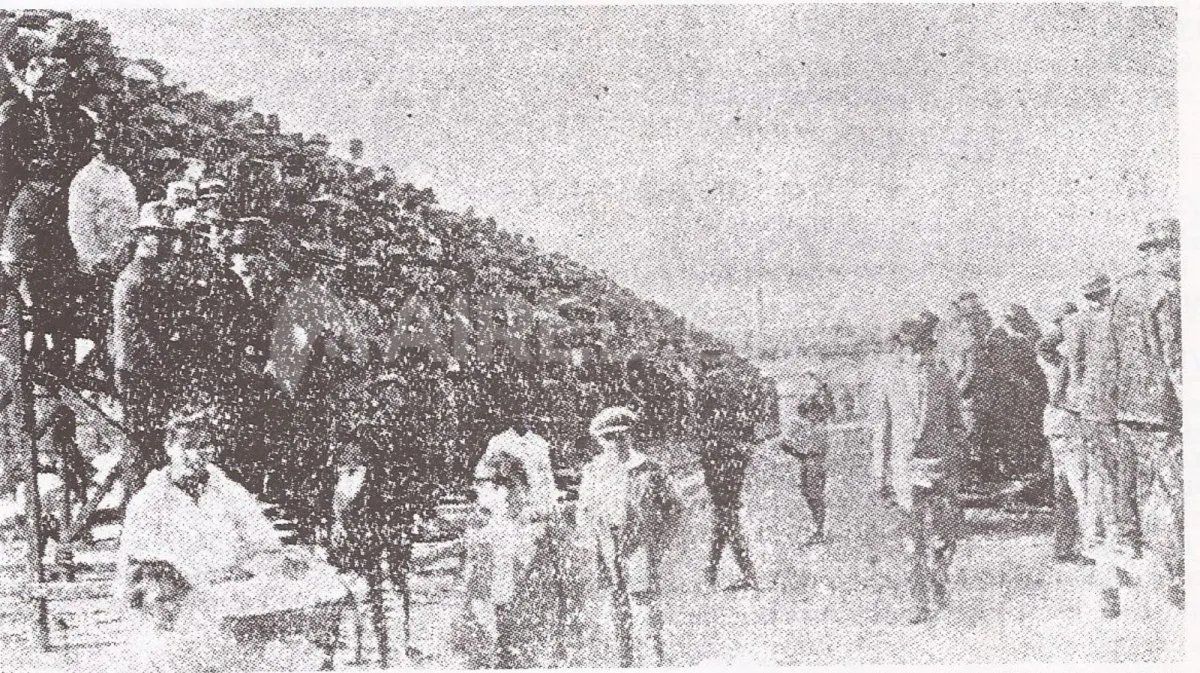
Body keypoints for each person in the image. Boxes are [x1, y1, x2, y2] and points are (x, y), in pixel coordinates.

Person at [117, 407, 351, 671]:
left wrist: (274, 561)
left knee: (318, 586)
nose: (197, 454)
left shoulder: (228, 491)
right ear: (170, 447)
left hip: (235, 585)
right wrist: (194, 577)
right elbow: (142, 563)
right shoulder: (149, 500)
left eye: (204, 445)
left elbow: (261, 541)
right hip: (180, 595)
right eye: (188, 446)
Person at [447, 448, 591, 668]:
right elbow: (472, 591)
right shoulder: (480, 534)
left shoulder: (536, 533)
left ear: (503, 488)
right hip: (491, 629)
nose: (476, 489)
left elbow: (557, 591)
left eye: (482, 483)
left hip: (527, 630)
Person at [873, 314, 966, 624]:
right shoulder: (888, 379)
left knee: (943, 537)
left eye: (922, 348)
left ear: (929, 347)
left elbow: (957, 425)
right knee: (912, 541)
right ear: (902, 349)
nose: (916, 355)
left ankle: (939, 576)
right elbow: (881, 430)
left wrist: (953, 457)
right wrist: (880, 475)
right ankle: (919, 603)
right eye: (910, 349)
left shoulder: (942, 377)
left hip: (939, 467)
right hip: (904, 468)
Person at [1110, 217, 1182, 610]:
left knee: (1137, 490)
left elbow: (1113, 352)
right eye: (1176, 249)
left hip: (1128, 408)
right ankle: (1178, 577)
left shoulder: (1123, 290)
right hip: (1163, 410)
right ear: (1162, 251)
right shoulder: (1169, 292)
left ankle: (1129, 565)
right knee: (1174, 492)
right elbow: (1175, 359)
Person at [577, 406, 682, 668]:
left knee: (644, 600)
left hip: (639, 542)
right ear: (600, 440)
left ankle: (654, 660)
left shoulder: (648, 468)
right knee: (616, 601)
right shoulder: (594, 470)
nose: (615, 442)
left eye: (621, 435)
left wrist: (660, 542)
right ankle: (625, 661)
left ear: (630, 435)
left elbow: (674, 507)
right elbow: (584, 510)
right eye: (608, 437)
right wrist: (591, 539)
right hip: (607, 542)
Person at [110, 205, 187, 500]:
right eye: (158, 235)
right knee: (140, 439)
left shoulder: (153, 274)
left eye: (168, 236)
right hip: (138, 369)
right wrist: (167, 361)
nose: (165, 242)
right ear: (142, 236)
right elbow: (141, 334)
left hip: (150, 367)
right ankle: (137, 504)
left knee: (154, 438)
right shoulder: (136, 277)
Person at [1067, 273, 1130, 617]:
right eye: (1098, 295)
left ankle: (1112, 564)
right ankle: (1109, 570)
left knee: (1107, 482)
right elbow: (1076, 366)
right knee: (1107, 483)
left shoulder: (1105, 318)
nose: (1101, 300)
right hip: (1102, 410)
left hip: (1107, 408)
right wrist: (1082, 400)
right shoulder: (1090, 322)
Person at [695, 348, 758, 590]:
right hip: (735, 459)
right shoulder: (738, 386)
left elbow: (700, 425)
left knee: (725, 515)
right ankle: (712, 572)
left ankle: (745, 572)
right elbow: (750, 424)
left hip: (716, 458)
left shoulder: (706, 386)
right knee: (724, 515)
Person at [1038, 301, 1092, 563]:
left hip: (1057, 426)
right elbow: (1059, 395)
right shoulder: (1063, 359)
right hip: (1068, 424)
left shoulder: (1056, 357)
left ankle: (1064, 547)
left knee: (1064, 490)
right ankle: (1083, 546)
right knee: (1080, 488)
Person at [479, 385, 558, 522]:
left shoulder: (540, 443)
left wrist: (550, 503)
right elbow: (487, 473)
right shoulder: (498, 441)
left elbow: (546, 476)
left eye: (525, 413)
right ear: (510, 416)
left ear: (532, 415)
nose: (521, 418)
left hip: (535, 501)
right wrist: (488, 502)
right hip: (507, 500)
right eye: (516, 414)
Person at [778, 369, 836, 545]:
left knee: (814, 496)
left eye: (815, 411)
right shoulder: (808, 425)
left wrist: (820, 383)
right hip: (808, 461)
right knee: (809, 495)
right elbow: (785, 445)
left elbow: (828, 401)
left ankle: (819, 530)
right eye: (811, 411)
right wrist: (798, 453)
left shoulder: (820, 424)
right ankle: (819, 528)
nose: (814, 414)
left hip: (815, 462)